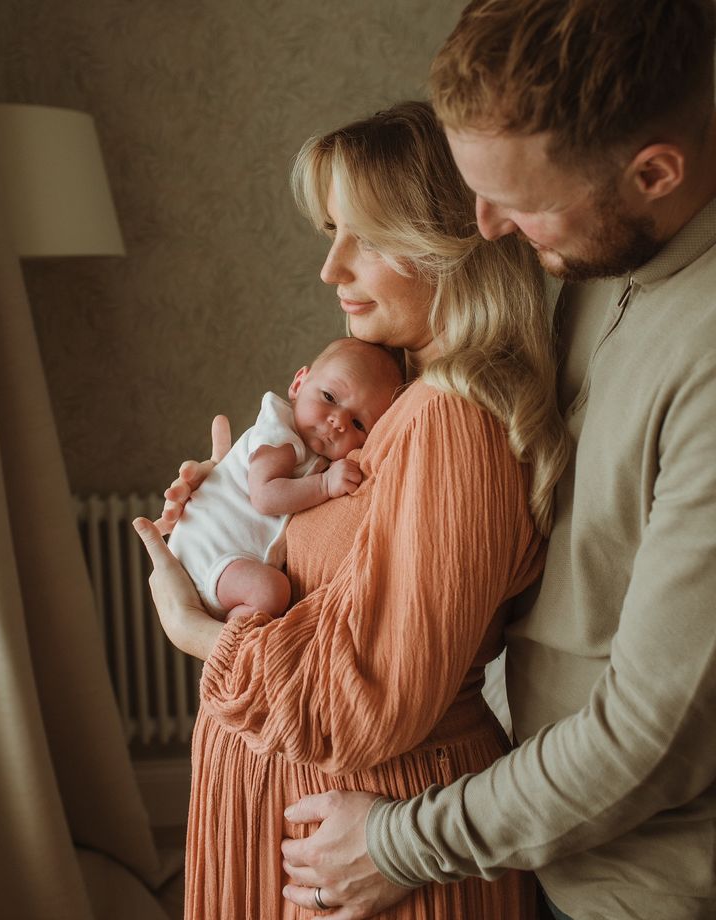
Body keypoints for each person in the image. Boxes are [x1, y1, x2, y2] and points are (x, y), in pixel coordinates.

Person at [272, 2, 716, 919]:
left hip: (642, 889)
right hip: (519, 833)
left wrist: (401, 843)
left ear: (654, 171)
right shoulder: (589, 265)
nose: (486, 226)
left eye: (519, 201)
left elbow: (658, 734)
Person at [133, 99, 570, 919]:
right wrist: (229, 508)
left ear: (448, 245)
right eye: (332, 234)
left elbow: (364, 700)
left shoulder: (449, 422)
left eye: (362, 238)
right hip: (314, 816)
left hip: (361, 841)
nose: (331, 269)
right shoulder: (397, 409)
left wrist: (191, 627)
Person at [167, 337, 403, 621]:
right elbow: (266, 497)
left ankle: (237, 622)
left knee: (274, 593)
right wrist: (324, 485)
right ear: (298, 384)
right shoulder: (279, 434)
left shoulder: (314, 454)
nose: (338, 421)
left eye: (358, 424)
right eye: (329, 397)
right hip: (208, 552)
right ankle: (234, 632)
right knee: (273, 592)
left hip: (230, 562)